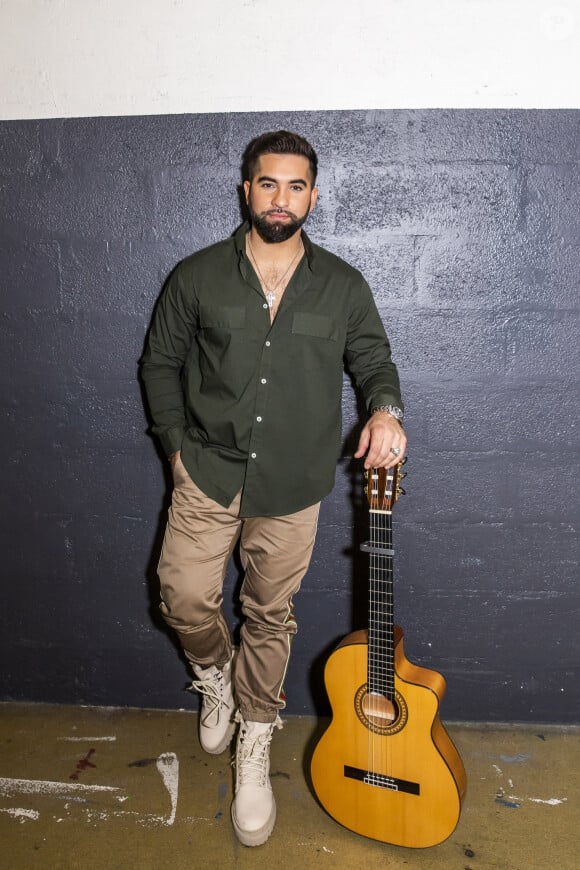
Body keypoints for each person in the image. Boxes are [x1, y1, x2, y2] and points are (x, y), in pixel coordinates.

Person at [140, 130, 406, 846]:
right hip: (208, 470)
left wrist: (386, 409)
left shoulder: (343, 285)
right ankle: (216, 678)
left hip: (293, 483)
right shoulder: (196, 276)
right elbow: (160, 365)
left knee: (269, 613)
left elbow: (374, 359)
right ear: (246, 190)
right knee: (183, 595)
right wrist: (175, 452)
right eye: (268, 184)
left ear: (313, 195)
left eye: (295, 186)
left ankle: (255, 739)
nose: (280, 198)